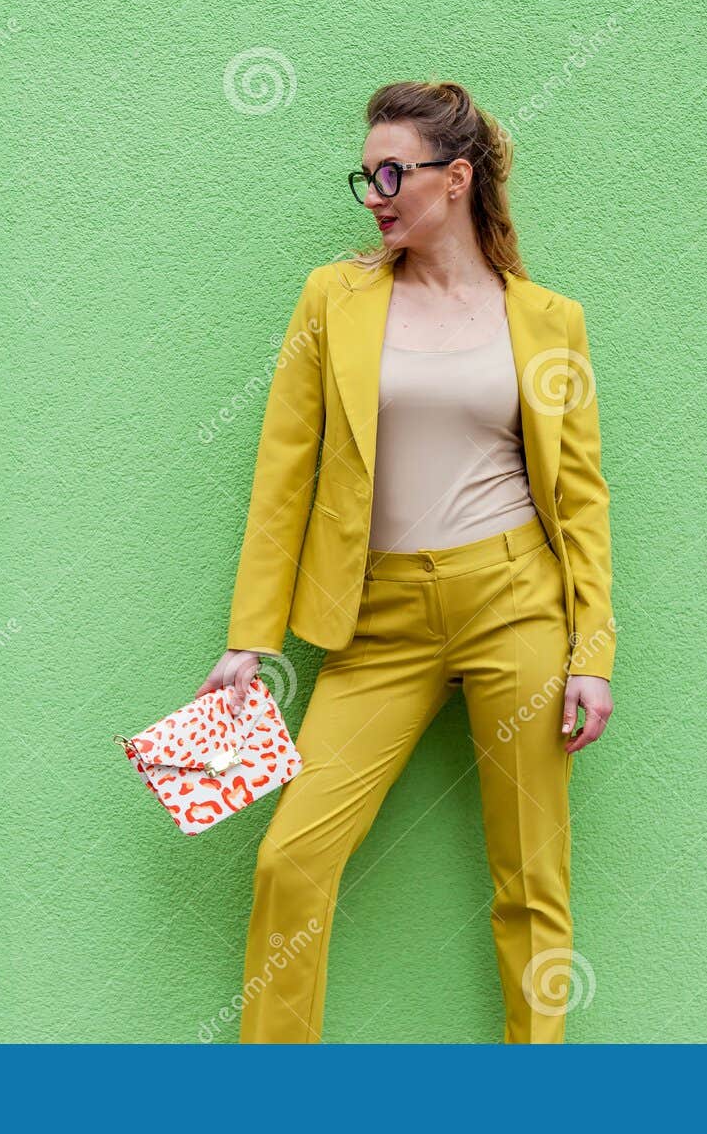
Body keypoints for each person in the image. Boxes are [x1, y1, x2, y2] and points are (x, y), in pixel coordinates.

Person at [199, 79, 616, 1042]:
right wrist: (248, 639)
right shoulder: (335, 299)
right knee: (291, 859)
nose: (376, 193)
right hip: (376, 619)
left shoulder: (548, 320)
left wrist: (590, 651)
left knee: (531, 878)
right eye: (367, 175)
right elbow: (283, 474)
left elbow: (583, 501)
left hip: (516, 602)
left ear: (456, 178)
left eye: (393, 173)